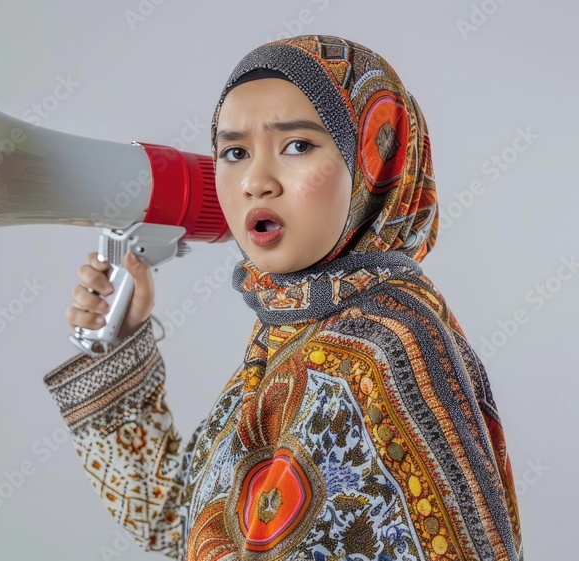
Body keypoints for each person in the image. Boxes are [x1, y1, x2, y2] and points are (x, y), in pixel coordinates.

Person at [42, 35, 523, 560]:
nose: (255, 181)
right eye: (234, 152)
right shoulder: (286, 329)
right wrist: (122, 338)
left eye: (297, 146)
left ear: (375, 163)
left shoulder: (391, 345)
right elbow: (181, 521)